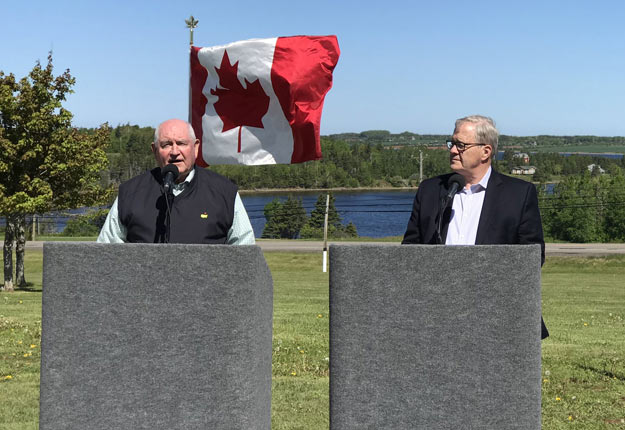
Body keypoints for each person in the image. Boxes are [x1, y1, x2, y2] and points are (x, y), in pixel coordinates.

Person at [402, 115, 548, 339]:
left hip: (495, 315)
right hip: (436, 314)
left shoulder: (518, 194)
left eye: (461, 145)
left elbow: (531, 257)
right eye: (452, 144)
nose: (452, 150)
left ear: (485, 151)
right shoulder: (431, 190)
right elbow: (409, 250)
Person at [97, 118, 255, 245]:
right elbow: (105, 253)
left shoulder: (224, 192)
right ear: (155, 151)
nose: (174, 152)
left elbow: (245, 253)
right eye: (166, 145)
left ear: (196, 148)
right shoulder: (130, 193)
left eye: (181, 143)